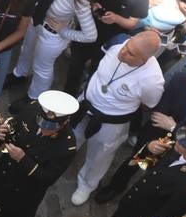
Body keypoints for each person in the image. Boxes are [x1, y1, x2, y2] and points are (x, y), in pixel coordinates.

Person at [98, 58, 186, 202]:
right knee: (136, 160)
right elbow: (160, 114)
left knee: (159, 177)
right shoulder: (180, 79)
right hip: (157, 133)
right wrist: (152, 142)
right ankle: (116, 186)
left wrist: (173, 128)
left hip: (184, 149)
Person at [69, 31, 165, 206]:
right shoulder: (118, 43)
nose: (123, 52)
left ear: (144, 59)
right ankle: (63, 155)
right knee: (71, 134)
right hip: (84, 105)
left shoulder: (153, 80)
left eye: (131, 54)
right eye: (126, 47)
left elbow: (148, 104)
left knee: (100, 155)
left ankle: (87, 185)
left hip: (110, 123)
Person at [0, 91, 79, 217]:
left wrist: (23, 159)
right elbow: (15, 124)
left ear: (65, 122)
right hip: (8, 170)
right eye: (42, 122)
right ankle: (3, 216)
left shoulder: (66, 147)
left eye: (50, 126)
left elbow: (48, 178)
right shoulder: (33, 109)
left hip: (27, 189)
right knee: (2, 198)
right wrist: (2, 129)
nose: (44, 128)